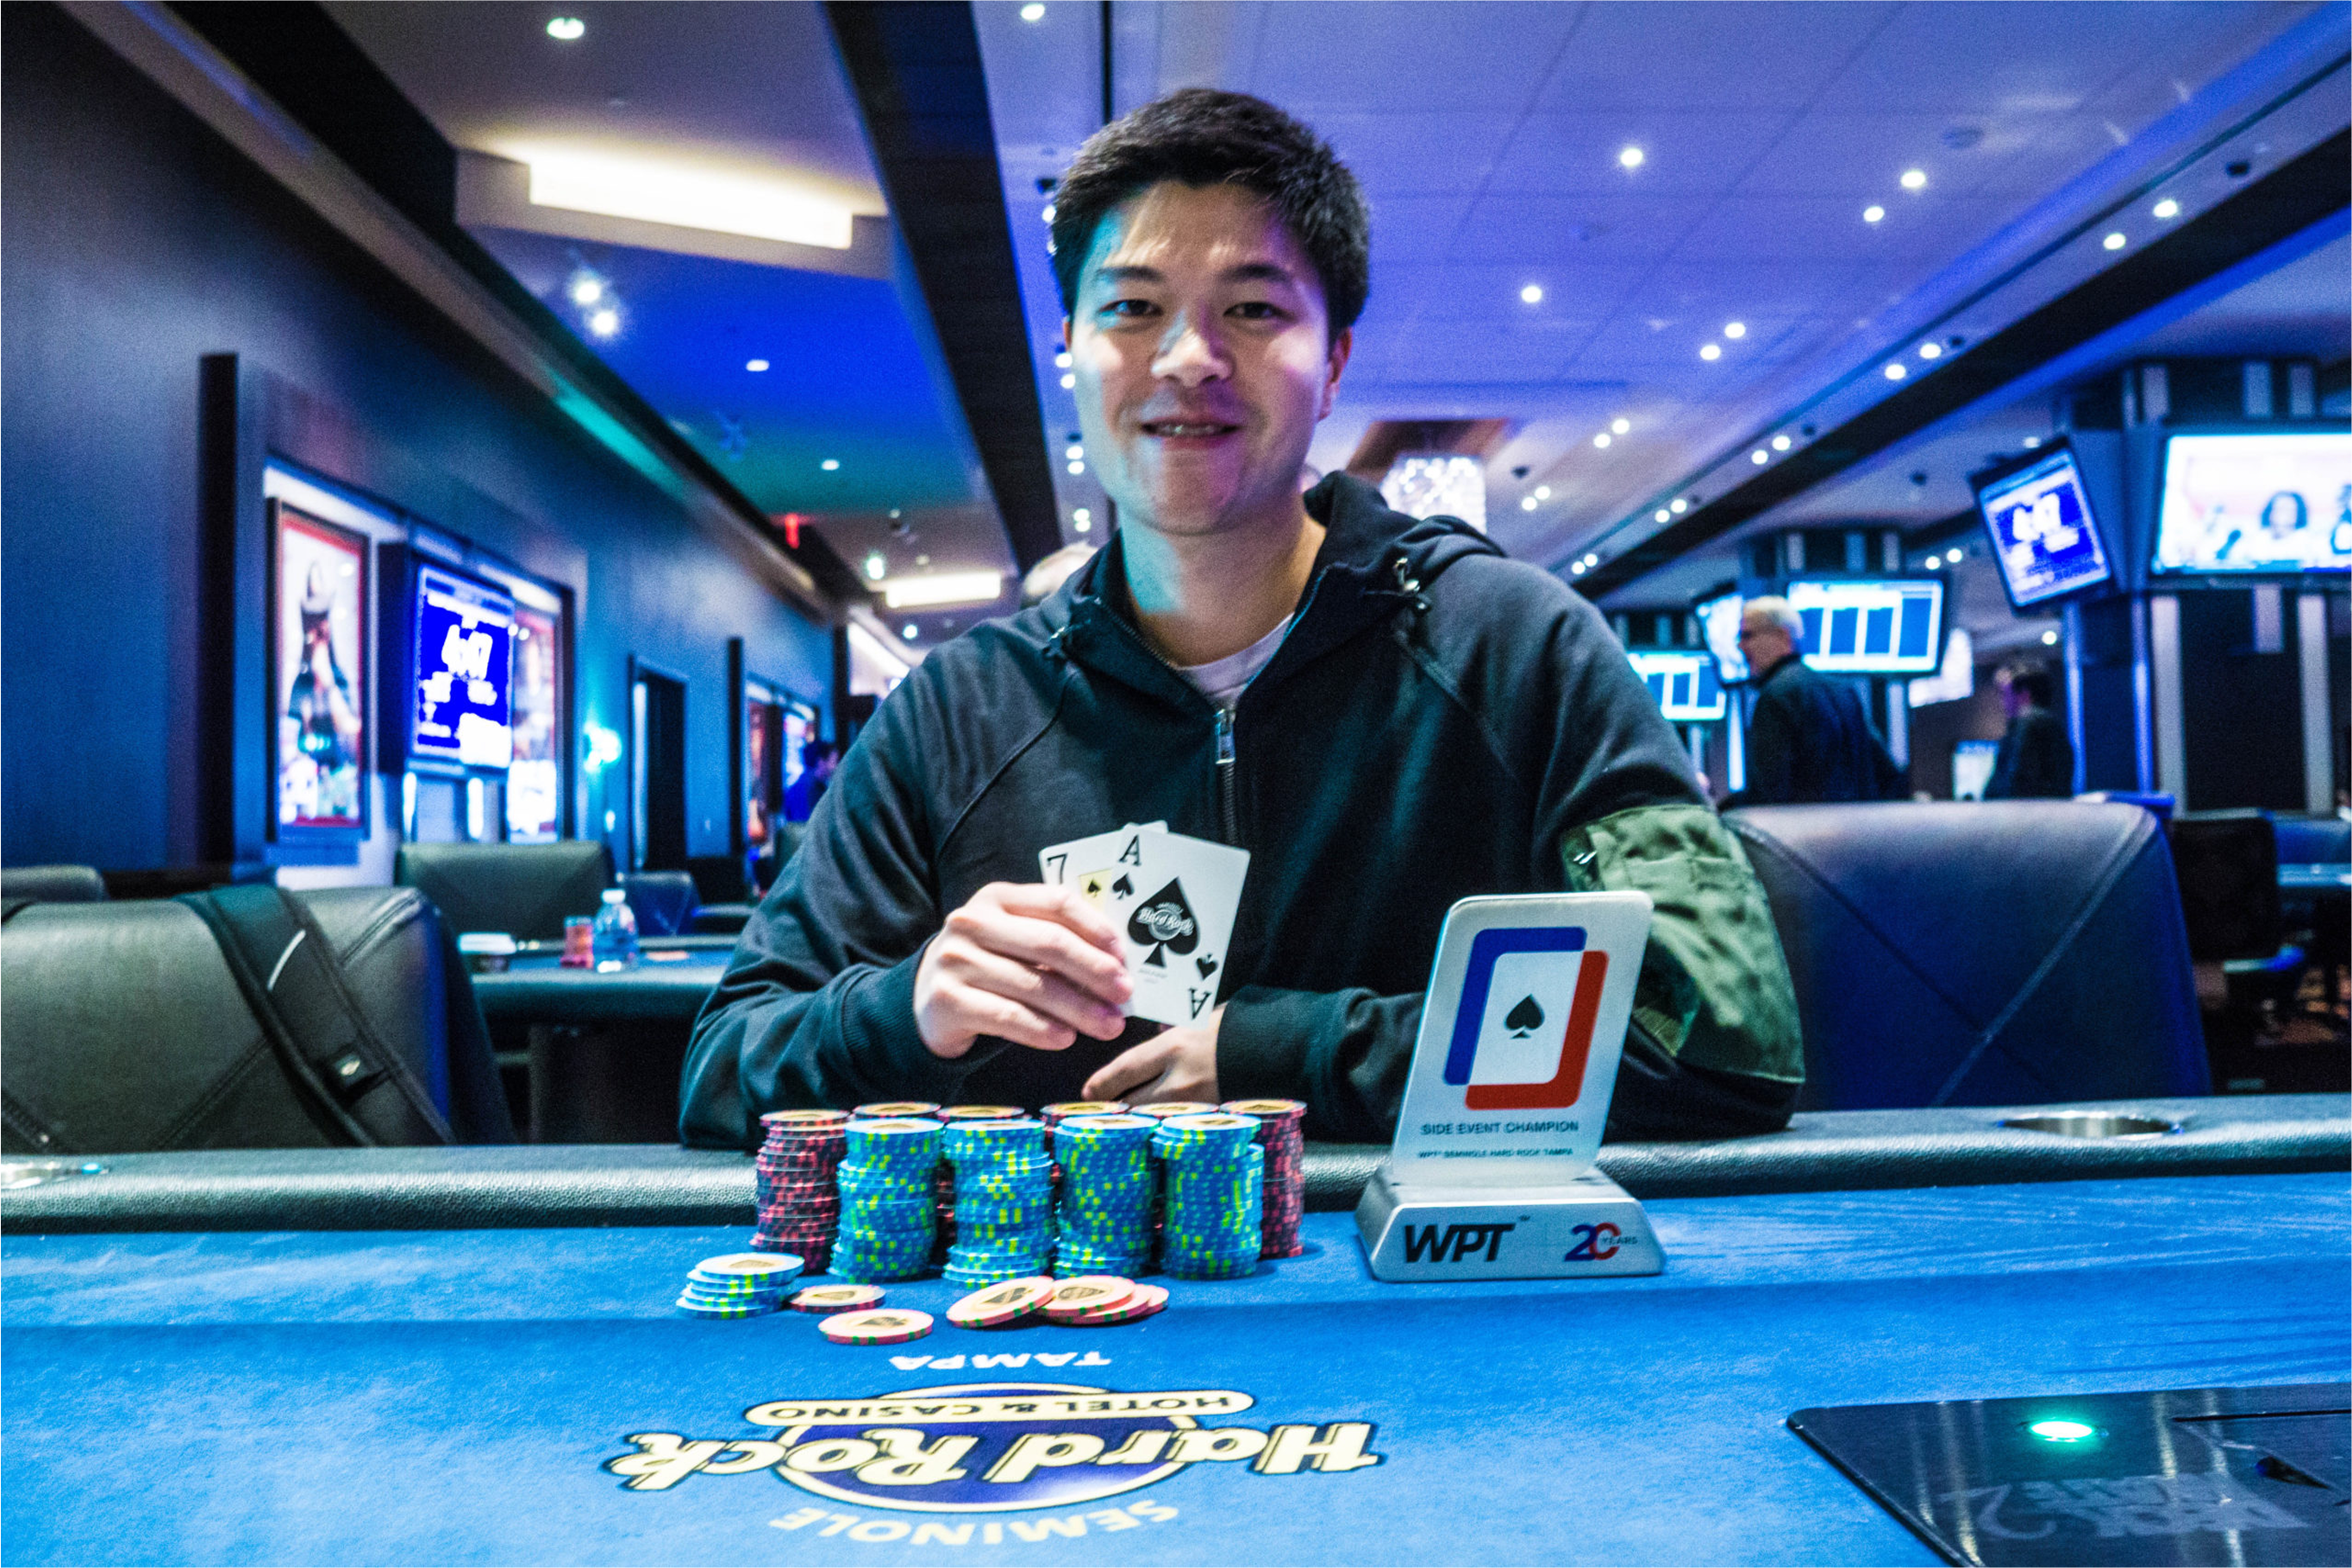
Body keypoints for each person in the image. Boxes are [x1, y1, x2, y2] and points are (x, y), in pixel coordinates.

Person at [680, 90, 1801, 1150]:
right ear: (1070, 349)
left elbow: (1721, 1033)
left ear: (1335, 362)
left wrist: (1289, 1050)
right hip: (1054, 1322)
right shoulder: (957, 712)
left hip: (1425, 1313)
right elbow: (724, 1066)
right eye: (1132, 307)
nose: (1188, 359)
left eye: (1255, 309)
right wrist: (907, 1007)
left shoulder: (1515, 648)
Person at [1727, 597, 1905, 806]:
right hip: (1855, 831)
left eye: (1747, 635)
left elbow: (1769, 792)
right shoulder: (1844, 691)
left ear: (1782, 636)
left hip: (1804, 834)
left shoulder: (1776, 696)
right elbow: (1888, 773)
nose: (1740, 646)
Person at [1983, 663, 2074, 799]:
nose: (2002, 702)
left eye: (2004, 693)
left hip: (2023, 816)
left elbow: (2018, 778)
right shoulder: (2053, 725)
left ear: (2024, 693)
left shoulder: (2027, 725)